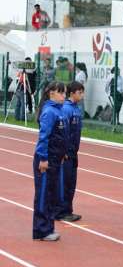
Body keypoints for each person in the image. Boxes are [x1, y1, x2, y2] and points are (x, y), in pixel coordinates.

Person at [32, 82, 68, 241]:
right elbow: (44, 137)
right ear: (52, 93)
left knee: (52, 195)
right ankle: (41, 230)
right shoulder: (49, 112)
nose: (64, 96)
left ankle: (48, 227)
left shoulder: (60, 111)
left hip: (56, 159)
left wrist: (64, 152)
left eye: (65, 93)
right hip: (47, 160)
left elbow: (61, 136)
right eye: (61, 93)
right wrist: (43, 158)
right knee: (44, 196)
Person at [55, 81, 84, 222]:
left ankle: (68, 210)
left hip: (74, 151)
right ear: (72, 93)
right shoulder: (67, 109)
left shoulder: (77, 109)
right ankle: (60, 211)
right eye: (80, 92)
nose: (82, 95)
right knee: (64, 182)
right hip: (67, 152)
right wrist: (64, 149)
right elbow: (63, 131)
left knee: (71, 182)